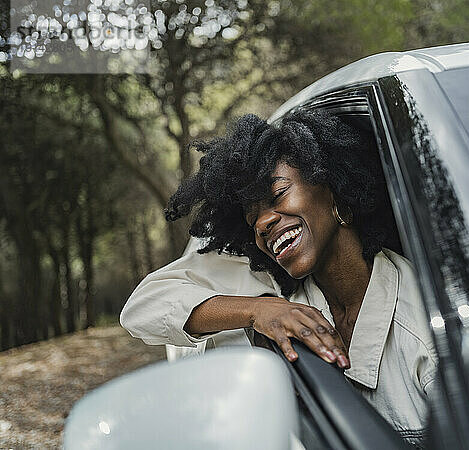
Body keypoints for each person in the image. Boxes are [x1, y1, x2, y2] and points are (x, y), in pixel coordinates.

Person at [121, 110, 437, 441]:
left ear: (335, 190)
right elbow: (142, 308)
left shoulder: (426, 332)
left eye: (278, 196)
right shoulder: (269, 282)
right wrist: (259, 311)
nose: (261, 224)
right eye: (252, 218)